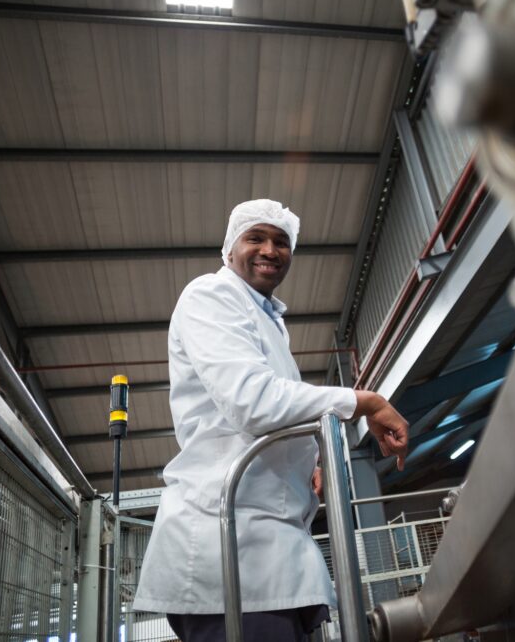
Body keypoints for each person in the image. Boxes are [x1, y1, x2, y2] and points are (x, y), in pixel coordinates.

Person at [133, 199, 409, 642]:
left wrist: (306, 464)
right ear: (229, 249)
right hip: (228, 550)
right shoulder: (211, 294)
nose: (270, 249)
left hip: (269, 552)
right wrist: (365, 402)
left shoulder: (268, 321)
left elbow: (268, 413)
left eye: (282, 242)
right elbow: (252, 402)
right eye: (255, 238)